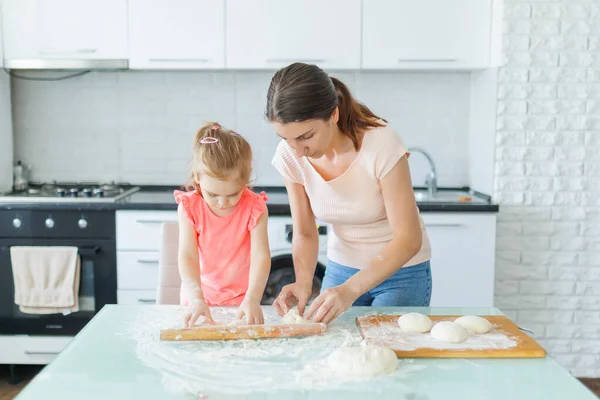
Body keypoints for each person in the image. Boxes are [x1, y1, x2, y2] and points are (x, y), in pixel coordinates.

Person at [267, 63, 432, 324]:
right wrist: (303, 282)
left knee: (389, 354)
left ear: (333, 115)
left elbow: (408, 238)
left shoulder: (381, 144)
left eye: (306, 136)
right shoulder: (290, 155)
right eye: (286, 138)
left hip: (401, 273)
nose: (298, 151)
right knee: (336, 354)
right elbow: (306, 232)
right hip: (341, 270)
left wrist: (350, 290)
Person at [174, 122, 271, 327]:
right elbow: (187, 255)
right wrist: (196, 298)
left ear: (246, 179)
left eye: (233, 194)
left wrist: (253, 298)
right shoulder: (189, 207)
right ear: (197, 177)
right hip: (198, 299)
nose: (222, 202)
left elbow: (260, 256)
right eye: (212, 194)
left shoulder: (255, 207)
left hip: (242, 301)